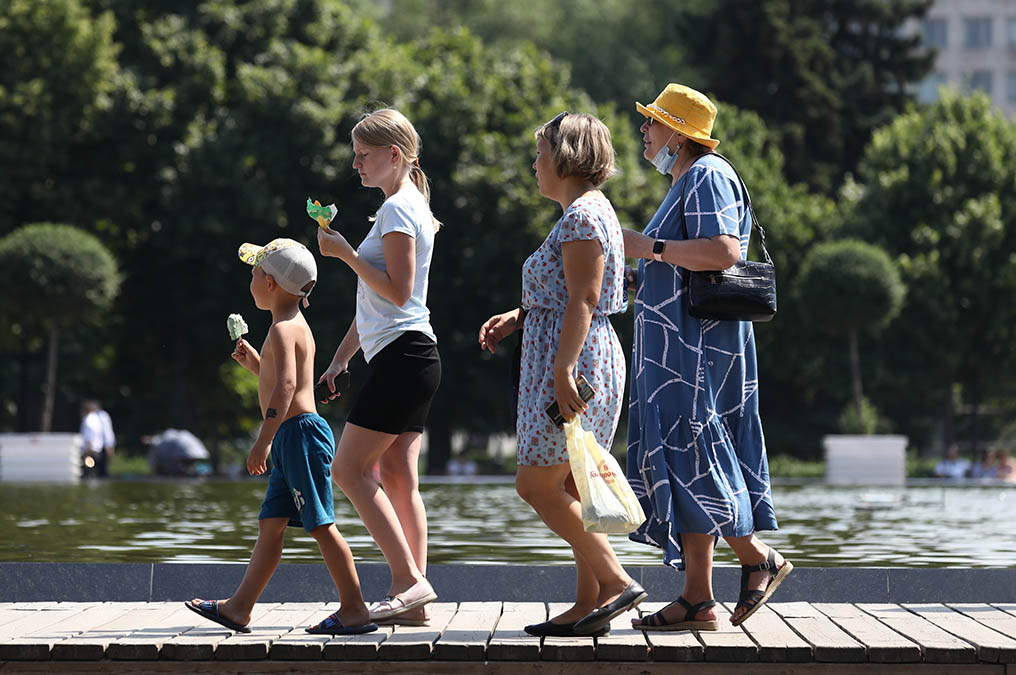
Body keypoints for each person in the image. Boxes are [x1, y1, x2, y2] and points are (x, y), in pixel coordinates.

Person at [621, 84, 790, 631]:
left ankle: (757, 558)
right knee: (682, 455)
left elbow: (722, 252)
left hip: (695, 348)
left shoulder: (708, 174)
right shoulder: (684, 181)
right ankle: (698, 598)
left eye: (652, 123)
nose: (644, 131)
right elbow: (676, 262)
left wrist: (646, 248)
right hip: (679, 345)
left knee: (695, 453)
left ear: (678, 132)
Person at [478, 111, 645, 637]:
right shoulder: (585, 213)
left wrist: (563, 368)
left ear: (567, 156)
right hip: (572, 352)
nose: (534, 163)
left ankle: (616, 582)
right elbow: (564, 292)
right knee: (572, 482)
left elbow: (585, 297)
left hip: (577, 361)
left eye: (541, 153)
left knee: (536, 484)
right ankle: (588, 604)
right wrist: (519, 316)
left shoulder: (581, 218)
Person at [186, 238, 376, 636]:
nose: (251, 281)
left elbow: (287, 387)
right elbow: (284, 382)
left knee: (320, 524)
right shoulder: (292, 328)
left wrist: (263, 441)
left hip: (298, 437)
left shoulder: (282, 330)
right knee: (271, 524)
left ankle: (355, 608)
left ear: (271, 284)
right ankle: (239, 608)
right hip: (293, 434)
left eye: (255, 274)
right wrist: (257, 364)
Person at [315, 108, 441, 625]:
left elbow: (397, 290)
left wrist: (345, 254)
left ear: (394, 156)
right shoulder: (407, 206)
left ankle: (409, 582)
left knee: (347, 469)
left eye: (364, 156)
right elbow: (379, 303)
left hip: (404, 356)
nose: (356, 165)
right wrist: (341, 359)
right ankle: (414, 603)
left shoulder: (395, 211)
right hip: (410, 354)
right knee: (396, 476)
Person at [79, 400, 115, 478]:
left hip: (90, 450)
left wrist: (87, 452)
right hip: (97, 450)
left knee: (88, 474)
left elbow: (89, 437)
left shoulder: (88, 419)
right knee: (100, 473)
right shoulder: (95, 418)